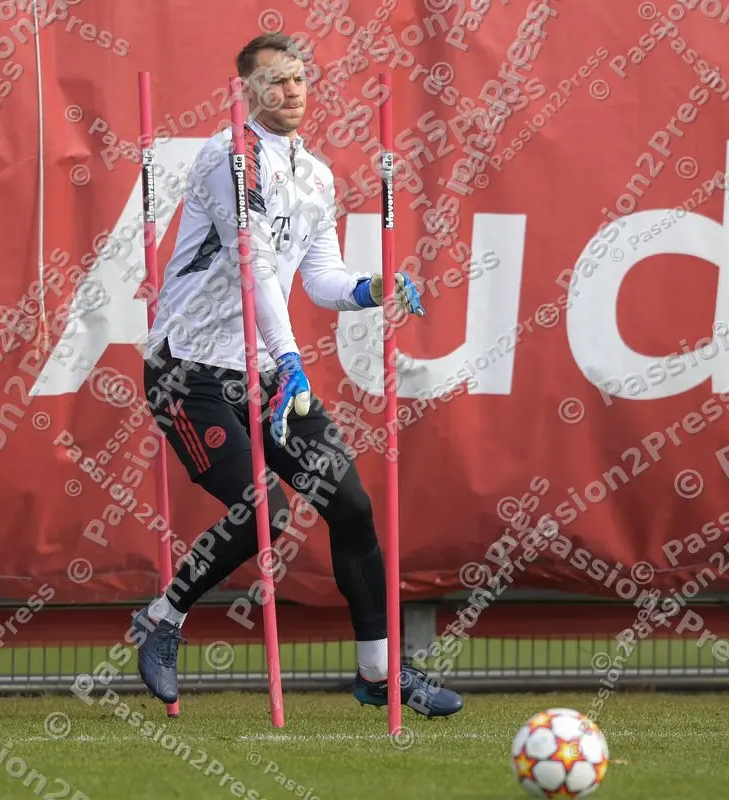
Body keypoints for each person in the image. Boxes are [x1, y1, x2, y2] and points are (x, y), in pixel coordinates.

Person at [132, 32, 464, 719]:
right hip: (190, 369)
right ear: (246, 90)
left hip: (264, 370)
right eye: (275, 80)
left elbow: (318, 278)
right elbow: (254, 266)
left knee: (351, 506)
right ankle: (163, 619)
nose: (291, 91)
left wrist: (372, 289)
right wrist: (290, 360)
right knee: (263, 510)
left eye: (299, 79)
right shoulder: (230, 157)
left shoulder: (315, 175)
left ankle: (379, 674)